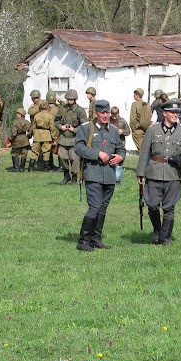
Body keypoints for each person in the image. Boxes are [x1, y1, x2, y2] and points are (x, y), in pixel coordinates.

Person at [136, 98, 181, 245]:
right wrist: (140, 172)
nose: (176, 115)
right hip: (154, 172)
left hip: (173, 174)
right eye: (173, 112)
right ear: (164, 113)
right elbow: (144, 153)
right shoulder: (152, 130)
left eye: (177, 112)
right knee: (152, 204)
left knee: (169, 207)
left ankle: (164, 237)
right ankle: (157, 229)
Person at [75, 99, 126, 251]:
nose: (105, 115)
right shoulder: (86, 128)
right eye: (102, 112)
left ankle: (95, 238)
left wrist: (120, 157)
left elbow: (120, 148)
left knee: (102, 208)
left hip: (109, 175)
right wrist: (97, 153)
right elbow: (78, 147)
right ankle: (83, 240)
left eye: (107, 112)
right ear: (96, 113)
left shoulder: (113, 130)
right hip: (93, 173)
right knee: (95, 207)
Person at [55, 89, 88, 184]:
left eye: (71, 99)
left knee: (74, 159)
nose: (69, 101)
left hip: (74, 139)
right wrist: (61, 127)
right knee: (62, 157)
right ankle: (66, 175)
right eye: (68, 99)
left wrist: (74, 130)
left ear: (75, 99)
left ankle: (74, 177)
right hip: (63, 138)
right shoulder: (62, 109)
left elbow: (84, 125)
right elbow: (56, 121)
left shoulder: (80, 111)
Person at [28, 100, 57, 172]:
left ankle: (31, 167)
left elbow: (33, 126)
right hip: (47, 135)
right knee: (46, 152)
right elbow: (52, 128)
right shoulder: (50, 116)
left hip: (37, 134)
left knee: (34, 151)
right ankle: (46, 168)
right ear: (47, 107)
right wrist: (54, 138)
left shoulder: (36, 115)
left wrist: (31, 134)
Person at [109, 106, 131, 184]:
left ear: (118, 114)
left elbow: (128, 131)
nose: (114, 118)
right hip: (110, 143)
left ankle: (117, 179)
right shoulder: (108, 121)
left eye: (116, 116)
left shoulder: (122, 121)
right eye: (113, 116)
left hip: (120, 143)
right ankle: (111, 178)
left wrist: (122, 131)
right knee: (111, 161)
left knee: (119, 162)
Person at [8, 107, 31, 172]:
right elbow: (30, 131)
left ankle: (16, 167)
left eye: (17, 113)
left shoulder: (15, 122)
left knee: (14, 153)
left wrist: (12, 138)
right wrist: (28, 137)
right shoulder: (27, 122)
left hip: (17, 139)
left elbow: (14, 132)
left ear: (19, 114)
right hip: (25, 139)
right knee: (24, 153)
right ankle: (22, 168)